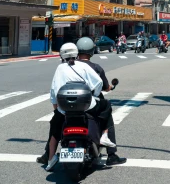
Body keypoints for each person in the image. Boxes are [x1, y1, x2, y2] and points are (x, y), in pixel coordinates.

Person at [37, 42, 114, 171]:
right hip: (86, 106)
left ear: (62, 55)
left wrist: (56, 109)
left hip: (64, 109)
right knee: (106, 106)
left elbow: (53, 91)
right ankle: (104, 136)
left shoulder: (60, 68)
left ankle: (50, 159)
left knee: (54, 128)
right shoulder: (83, 66)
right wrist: (94, 95)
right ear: (76, 54)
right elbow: (98, 83)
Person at [76, 37, 127, 165]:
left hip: (70, 101)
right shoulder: (95, 68)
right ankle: (111, 154)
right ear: (91, 51)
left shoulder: (69, 65)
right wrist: (111, 87)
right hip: (90, 102)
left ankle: (48, 153)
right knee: (107, 112)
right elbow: (105, 87)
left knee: (56, 120)